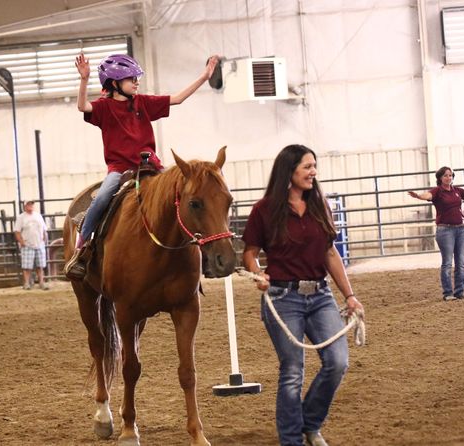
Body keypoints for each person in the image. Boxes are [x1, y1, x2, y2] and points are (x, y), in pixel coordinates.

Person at [242, 144, 364, 446]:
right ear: (290, 170)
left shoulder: (320, 204)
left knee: (337, 362)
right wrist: (259, 274)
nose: (313, 172)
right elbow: (250, 252)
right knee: (293, 370)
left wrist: (349, 295)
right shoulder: (265, 209)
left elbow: (329, 253)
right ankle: (291, 440)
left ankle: (310, 424)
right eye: (307, 167)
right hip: (283, 298)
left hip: (321, 295)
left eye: (314, 166)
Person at [64, 52, 219, 280]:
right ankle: (81, 249)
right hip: (120, 169)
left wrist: (204, 77)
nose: (136, 82)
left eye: (136, 78)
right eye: (131, 79)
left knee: (185, 193)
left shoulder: (143, 103)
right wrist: (84, 79)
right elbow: (82, 106)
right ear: (115, 84)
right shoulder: (104, 108)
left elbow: (177, 99)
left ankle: (201, 249)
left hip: (151, 166)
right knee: (103, 197)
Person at [408, 166, 464, 301]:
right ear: (440, 178)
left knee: (460, 262)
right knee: (447, 263)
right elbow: (427, 195)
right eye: (446, 175)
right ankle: (448, 293)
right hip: (445, 230)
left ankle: (460, 291)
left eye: (450, 175)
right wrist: (418, 196)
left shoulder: (457, 191)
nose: (448, 178)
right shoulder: (437, 192)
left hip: (460, 229)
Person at [14, 200, 49, 290]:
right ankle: (26, 283)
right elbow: (17, 231)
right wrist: (21, 242)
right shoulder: (21, 217)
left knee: (40, 266)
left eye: (31, 204)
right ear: (25, 206)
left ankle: (41, 282)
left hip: (39, 244)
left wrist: (44, 238)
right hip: (27, 244)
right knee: (27, 266)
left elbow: (44, 228)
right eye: (28, 204)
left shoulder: (38, 216)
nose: (30, 206)